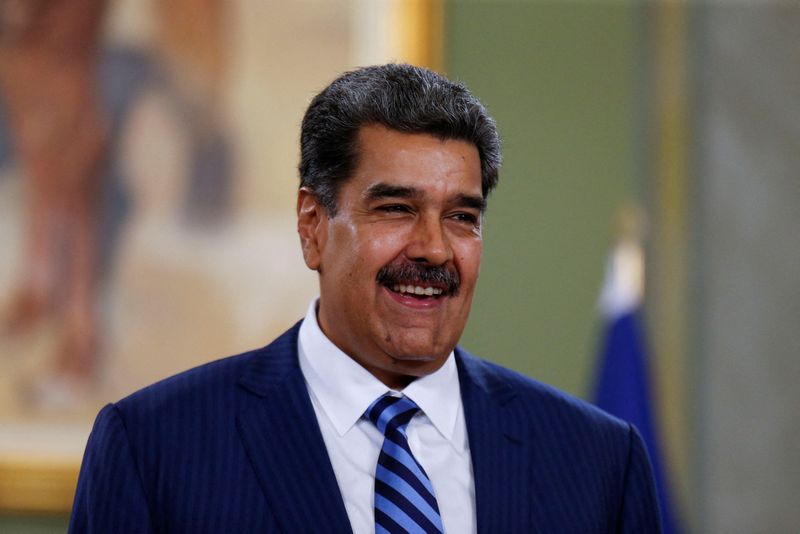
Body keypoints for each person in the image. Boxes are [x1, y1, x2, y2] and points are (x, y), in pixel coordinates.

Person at [69, 64, 662, 533]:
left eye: (461, 217)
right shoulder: (155, 448)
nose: (434, 249)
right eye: (397, 209)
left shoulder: (597, 461)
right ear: (312, 226)